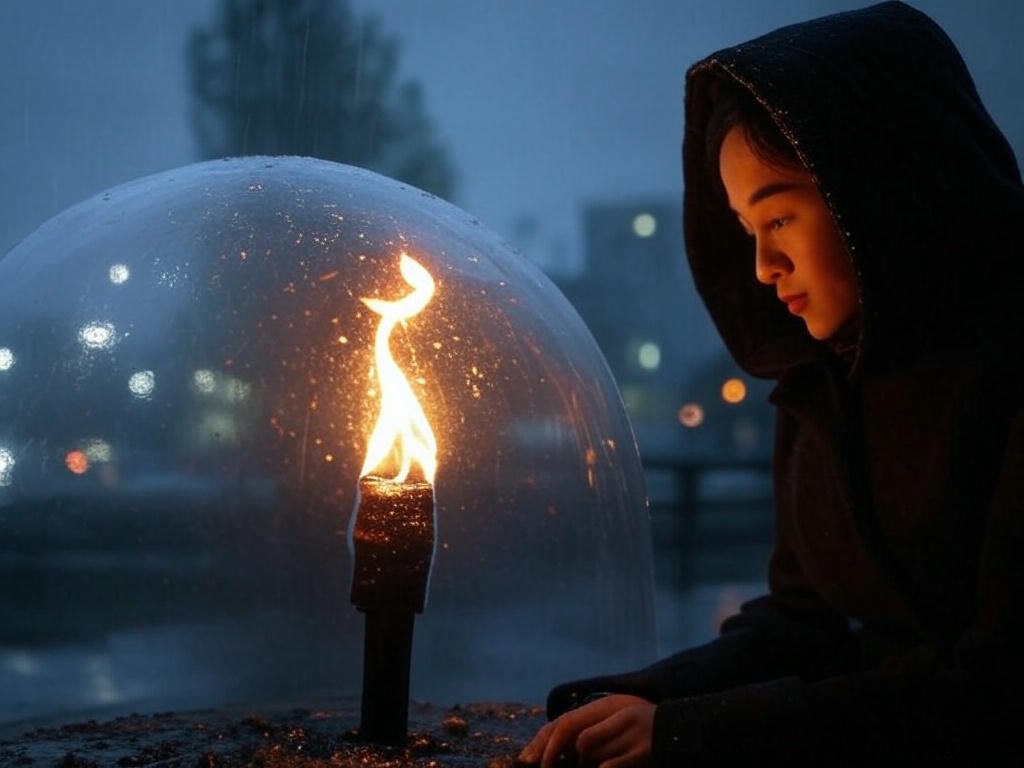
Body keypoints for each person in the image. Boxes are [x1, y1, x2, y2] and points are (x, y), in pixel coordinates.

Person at [519, 1, 1024, 765]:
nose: (761, 268)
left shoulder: (1007, 379)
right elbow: (802, 625)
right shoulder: (822, 385)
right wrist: (644, 699)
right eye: (746, 232)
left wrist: (691, 734)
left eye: (779, 218)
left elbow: (992, 689)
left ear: (881, 190)